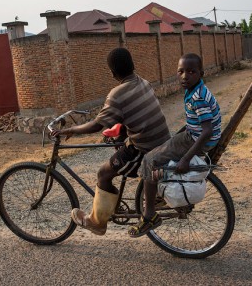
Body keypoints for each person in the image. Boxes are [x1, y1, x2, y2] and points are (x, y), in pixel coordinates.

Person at [51, 47, 171, 236]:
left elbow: (97, 125)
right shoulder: (144, 82)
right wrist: (121, 136)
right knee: (118, 152)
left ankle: (96, 223)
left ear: (112, 73)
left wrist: (69, 129)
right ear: (132, 65)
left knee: (103, 173)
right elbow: (131, 117)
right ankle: (152, 196)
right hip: (163, 142)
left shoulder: (117, 94)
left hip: (144, 150)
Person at [129, 53, 221, 237]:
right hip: (192, 134)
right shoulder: (196, 90)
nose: (185, 76)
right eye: (181, 71)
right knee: (163, 149)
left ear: (200, 73)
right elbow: (196, 122)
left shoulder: (198, 97)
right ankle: (157, 192)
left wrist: (186, 158)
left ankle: (149, 215)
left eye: (191, 72)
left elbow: (207, 130)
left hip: (197, 139)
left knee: (149, 160)